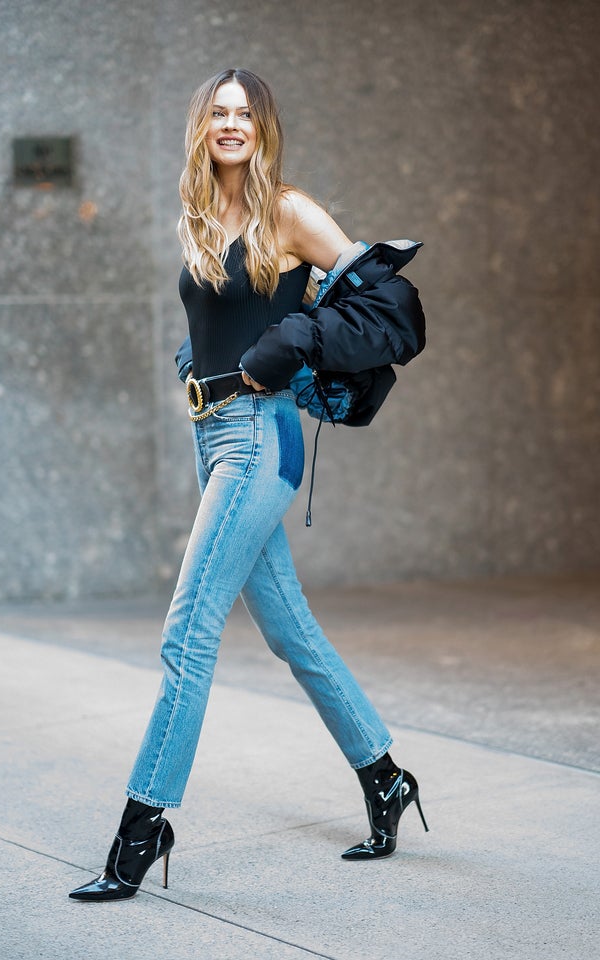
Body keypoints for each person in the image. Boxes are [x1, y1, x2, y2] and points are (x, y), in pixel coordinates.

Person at [69, 68, 427, 903]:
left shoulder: (290, 212)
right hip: (213, 434)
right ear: (203, 129)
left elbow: (390, 304)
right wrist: (195, 368)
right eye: (218, 114)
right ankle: (386, 777)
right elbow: (215, 318)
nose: (231, 125)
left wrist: (300, 331)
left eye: (245, 114)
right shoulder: (199, 214)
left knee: (187, 630)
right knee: (290, 633)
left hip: (262, 442)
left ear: (263, 128)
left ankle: (142, 826)